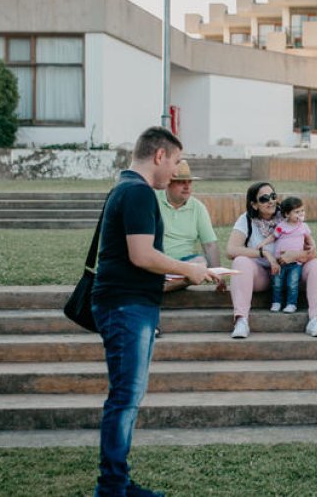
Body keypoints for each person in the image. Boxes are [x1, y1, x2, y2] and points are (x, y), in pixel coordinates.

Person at [90, 126, 220, 497]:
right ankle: (112, 487)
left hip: (128, 303)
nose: (176, 172)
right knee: (125, 398)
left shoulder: (126, 188)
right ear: (159, 156)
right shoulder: (138, 193)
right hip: (126, 307)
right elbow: (141, 255)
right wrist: (190, 270)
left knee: (127, 396)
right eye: (176, 162)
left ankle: (118, 482)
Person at [225, 182, 317, 339]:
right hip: (263, 276)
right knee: (240, 262)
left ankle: (315, 320)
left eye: (273, 196)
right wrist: (264, 254)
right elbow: (231, 250)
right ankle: (241, 321)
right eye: (264, 198)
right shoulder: (246, 220)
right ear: (254, 204)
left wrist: (294, 255)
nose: (271, 201)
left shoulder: (289, 215)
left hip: (293, 272)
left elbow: (312, 252)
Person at [156, 160, 220, 294]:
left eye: (189, 182)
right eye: (181, 182)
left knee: (201, 262)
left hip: (184, 267)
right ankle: (165, 283)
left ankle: (168, 286)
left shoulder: (198, 207)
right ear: (168, 183)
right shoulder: (153, 200)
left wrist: (217, 274)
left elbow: (209, 244)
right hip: (158, 262)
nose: (187, 187)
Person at [261, 196, 313, 313]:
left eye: (302, 211)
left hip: (296, 263)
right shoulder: (281, 226)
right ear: (287, 214)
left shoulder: (303, 227)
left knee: (292, 284)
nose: (300, 214)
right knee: (277, 283)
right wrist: (263, 243)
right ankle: (276, 302)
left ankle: (291, 304)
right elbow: (273, 237)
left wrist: (313, 246)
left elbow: (309, 239)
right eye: (296, 212)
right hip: (279, 262)